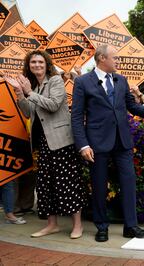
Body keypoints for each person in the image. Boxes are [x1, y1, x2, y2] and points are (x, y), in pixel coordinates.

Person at [71, 44, 144, 242]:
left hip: (122, 141)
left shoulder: (121, 80)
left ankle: (131, 226)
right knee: (99, 185)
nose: (118, 61)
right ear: (102, 58)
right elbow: (76, 117)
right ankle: (102, 227)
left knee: (129, 183)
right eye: (115, 58)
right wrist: (83, 145)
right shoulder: (83, 82)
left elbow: (132, 106)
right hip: (96, 143)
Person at [5, 50, 87, 239]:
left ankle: (77, 225)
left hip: (61, 142)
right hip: (43, 143)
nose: (37, 65)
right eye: (33, 62)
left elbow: (53, 105)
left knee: (68, 183)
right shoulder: (33, 85)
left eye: (40, 62)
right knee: (45, 185)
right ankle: (52, 225)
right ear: (29, 65)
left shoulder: (56, 80)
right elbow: (27, 113)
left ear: (46, 64)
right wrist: (20, 94)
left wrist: (29, 92)